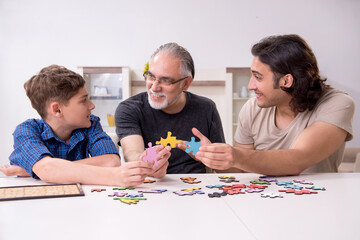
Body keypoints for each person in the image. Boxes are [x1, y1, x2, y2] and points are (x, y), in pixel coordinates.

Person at [194, 34, 355, 175]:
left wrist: (236, 155)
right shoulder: (251, 109)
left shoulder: (337, 104)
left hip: (320, 200)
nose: (250, 86)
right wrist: (212, 157)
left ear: (286, 81)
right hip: (265, 200)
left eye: (258, 77)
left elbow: (298, 159)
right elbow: (240, 171)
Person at [0, 65, 167, 186]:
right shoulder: (26, 131)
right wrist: (112, 177)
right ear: (57, 109)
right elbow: (49, 170)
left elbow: (111, 162)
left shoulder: (91, 124)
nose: (91, 105)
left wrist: (32, 170)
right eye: (83, 100)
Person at [115, 42, 225, 173]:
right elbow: (132, 154)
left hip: (197, 186)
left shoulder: (206, 108)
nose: (154, 87)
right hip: (149, 186)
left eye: (166, 80)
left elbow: (224, 168)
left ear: (186, 84)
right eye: (151, 76)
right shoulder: (129, 109)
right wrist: (145, 162)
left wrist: (210, 156)